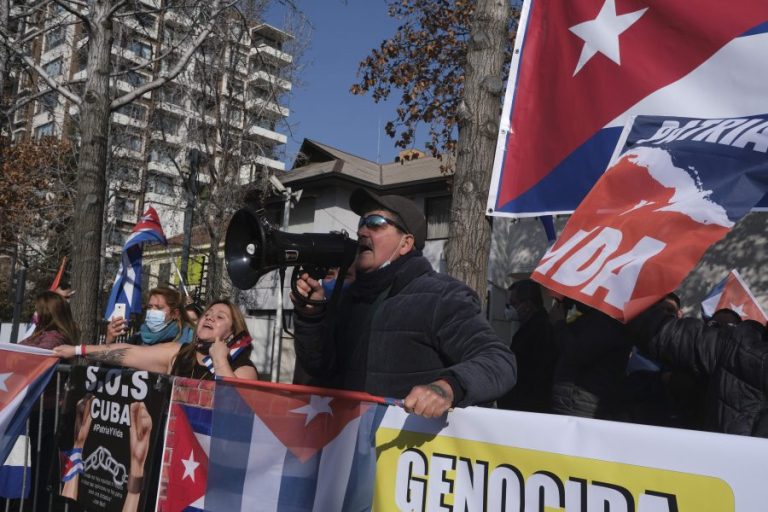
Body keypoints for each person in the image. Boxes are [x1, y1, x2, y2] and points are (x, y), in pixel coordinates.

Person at [291, 188, 517, 418]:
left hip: (406, 448)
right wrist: (311, 316)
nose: (361, 231)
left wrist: (447, 387)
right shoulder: (347, 298)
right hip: (344, 444)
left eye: (376, 223)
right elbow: (320, 368)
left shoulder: (442, 296)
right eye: (361, 222)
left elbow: (499, 361)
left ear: (406, 243)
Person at [629, 303, 768, 437]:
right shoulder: (741, 349)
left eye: (731, 326)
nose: (723, 328)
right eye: (714, 325)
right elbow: (665, 333)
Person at [55, 300, 258, 380]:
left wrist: (221, 361)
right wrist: (77, 350)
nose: (210, 317)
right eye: (208, 313)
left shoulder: (243, 368)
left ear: (233, 333)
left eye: (220, 317)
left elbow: (234, 410)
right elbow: (128, 353)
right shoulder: (178, 353)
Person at [549, 298, 632, 419]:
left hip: (581, 402)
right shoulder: (593, 317)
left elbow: (577, 352)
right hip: (576, 399)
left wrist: (559, 324)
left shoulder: (605, 320)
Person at [496, 279, 556, 413]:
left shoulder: (539, 330)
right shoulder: (532, 327)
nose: (509, 308)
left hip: (527, 407)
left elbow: (529, 373)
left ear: (528, 304)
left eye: (513, 304)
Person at [106, 286, 194, 345]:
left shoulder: (187, 339)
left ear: (175, 313)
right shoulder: (138, 338)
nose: (152, 311)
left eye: (159, 308)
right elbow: (112, 368)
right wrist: (110, 341)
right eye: (150, 307)